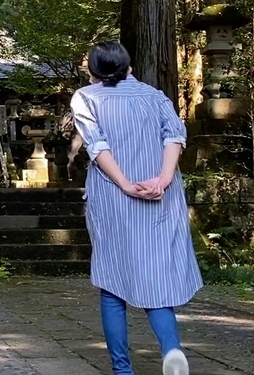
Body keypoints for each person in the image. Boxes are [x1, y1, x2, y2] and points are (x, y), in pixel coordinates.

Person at [70, 41, 201, 375]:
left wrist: (127, 185)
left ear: (93, 71)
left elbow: (96, 147)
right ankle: (172, 350)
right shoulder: (155, 96)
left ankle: (123, 369)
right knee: (156, 280)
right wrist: (162, 179)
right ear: (129, 67)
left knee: (113, 284)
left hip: (115, 197)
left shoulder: (87, 97)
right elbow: (175, 136)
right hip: (161, 194)